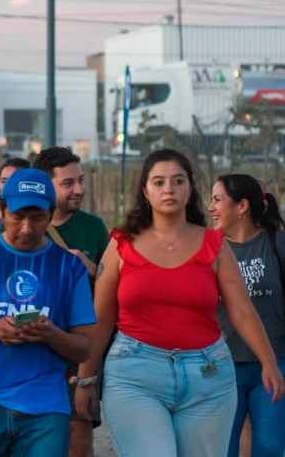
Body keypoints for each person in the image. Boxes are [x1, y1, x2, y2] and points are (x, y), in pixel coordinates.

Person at [75, 149, 285, 457]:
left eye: (178, 181)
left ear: (190, 188)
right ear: (145, 191)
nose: (169, 189)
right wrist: (86, 377)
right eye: (158, 182)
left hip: (207, 375)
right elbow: (102, 318)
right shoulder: (121, 243)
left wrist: (270, 363)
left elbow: (242, 309)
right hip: (135, 374)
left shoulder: (215, 245)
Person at [0, 168, 96, 457]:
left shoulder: (69, 267)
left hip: (47, 410)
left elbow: (84, 347)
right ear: (0, 210)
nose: (26, 228)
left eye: (37, 218)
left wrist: (51, 334)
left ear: (50, 215)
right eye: (17, 216)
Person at [32, 146, 110, 457]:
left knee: (79, 436)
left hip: (80, 345)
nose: (79, 189)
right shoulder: (20, 224)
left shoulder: (93, 227)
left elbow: (115, 289)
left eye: (80, 180)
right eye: (68, 183)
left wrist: (91, 269)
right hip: (33, 345)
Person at [208, 174, 285, 457]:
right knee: (221, 449)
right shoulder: (208, 248)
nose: (210, 207)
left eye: (217, 200)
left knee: (270, 448)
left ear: (242, 206)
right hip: (221, 369)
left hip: (275, 365)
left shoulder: (278, 244)